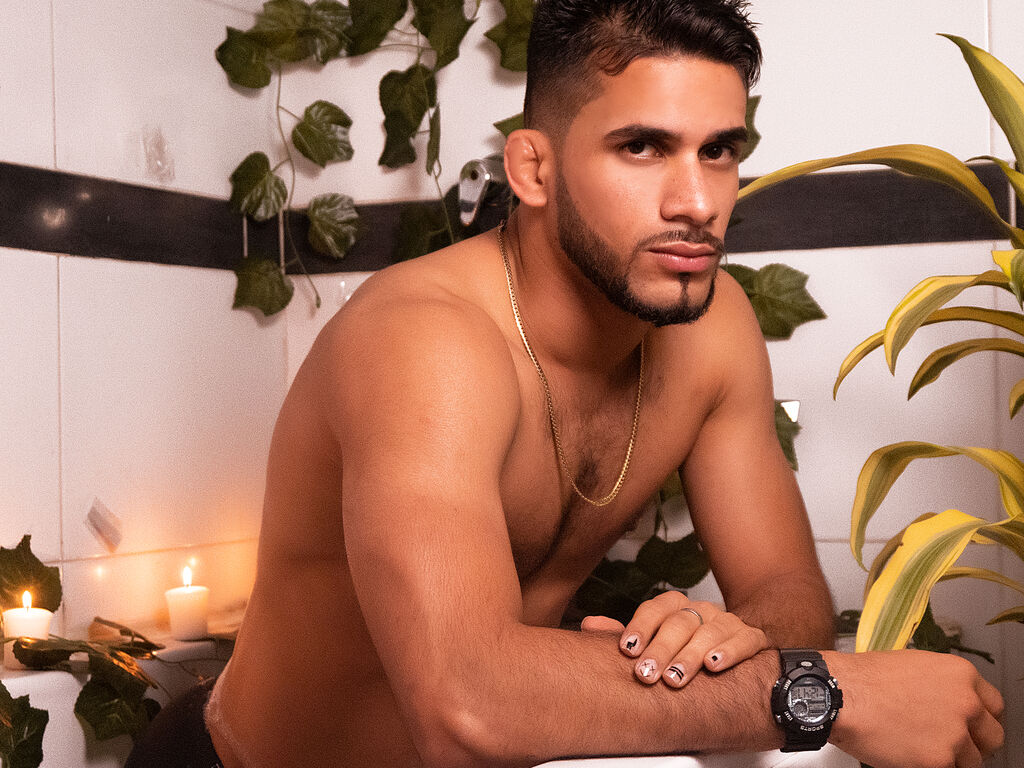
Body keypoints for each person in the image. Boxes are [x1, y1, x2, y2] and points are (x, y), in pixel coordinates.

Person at [126, 1, 1004, 767]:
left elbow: (789, 594)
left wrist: (731, 640)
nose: (697, 201)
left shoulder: (715, 329)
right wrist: (827, 693)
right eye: (642, 147)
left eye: (719, 151)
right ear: (533, 170)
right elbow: (465, 702)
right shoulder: (426, 342)